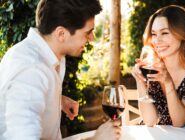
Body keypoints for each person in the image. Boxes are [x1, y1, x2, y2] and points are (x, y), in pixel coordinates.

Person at [0, 0, 121, 139]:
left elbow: (27, 95)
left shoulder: (49, 56)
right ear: (61, 34)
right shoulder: (31, 70)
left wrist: (55, 100)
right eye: (88, 32)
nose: (92, 38)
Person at [132, 5, 185, 127]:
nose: (157, 40)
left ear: (182, 34)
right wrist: (140, 81)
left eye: (164, 33)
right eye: (154, 34)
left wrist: (168, 83)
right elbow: (150, 120)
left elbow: (179, 122)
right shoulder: (152, 65)